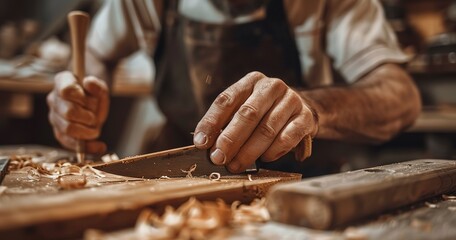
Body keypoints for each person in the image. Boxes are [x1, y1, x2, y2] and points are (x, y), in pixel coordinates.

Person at [46, 0, 421, 174]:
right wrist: (84, 90)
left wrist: (311, 107)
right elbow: (94, 51)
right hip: (174, 171)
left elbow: (400, 95)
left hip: (295, 181)